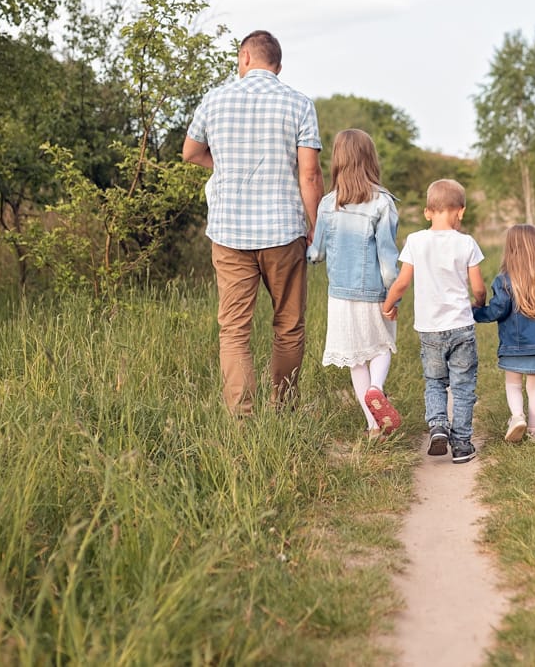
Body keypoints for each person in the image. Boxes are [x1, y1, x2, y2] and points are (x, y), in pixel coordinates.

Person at [181, 30, 324, 416]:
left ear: (245, 58)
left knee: (234, 330)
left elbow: (190, 152)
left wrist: (226, 165)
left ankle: (241, 418)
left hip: (229, 234)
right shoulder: (298, 103)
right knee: (289, 326)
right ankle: (284, 410)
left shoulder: (215, 99)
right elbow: (309, 175)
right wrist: (317, 227)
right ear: (277, 64)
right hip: (283, 232)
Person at [307, 129, 403, 441]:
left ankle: (374, 427)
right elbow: (388, 259)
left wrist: (307, 250)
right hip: (374, 292)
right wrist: (394, 297)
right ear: (370, 160)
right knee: (382, 346)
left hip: (340, 296)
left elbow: (316, 254)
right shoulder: (382, 203)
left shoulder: (327, 205)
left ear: (337, 162)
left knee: (356, 360)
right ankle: (378, 389)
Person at [382, 179, 486, 463]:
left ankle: (438, 425)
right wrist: (480, 303)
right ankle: (462, 444)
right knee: (463, 386)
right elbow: (477, 287)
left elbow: (402, 282)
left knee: (435, 381)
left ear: (428, 212)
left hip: (429, 329)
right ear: (460, 211)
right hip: (461, 326)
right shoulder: (467, 243)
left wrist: (389, 305)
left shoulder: (415, 240)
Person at [474, 224, 535, 442]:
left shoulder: (504, 280)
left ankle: (518, 416)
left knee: (513, 383)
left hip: (514, 344)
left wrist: (475, 312)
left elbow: (497, 310)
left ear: (510, 250)